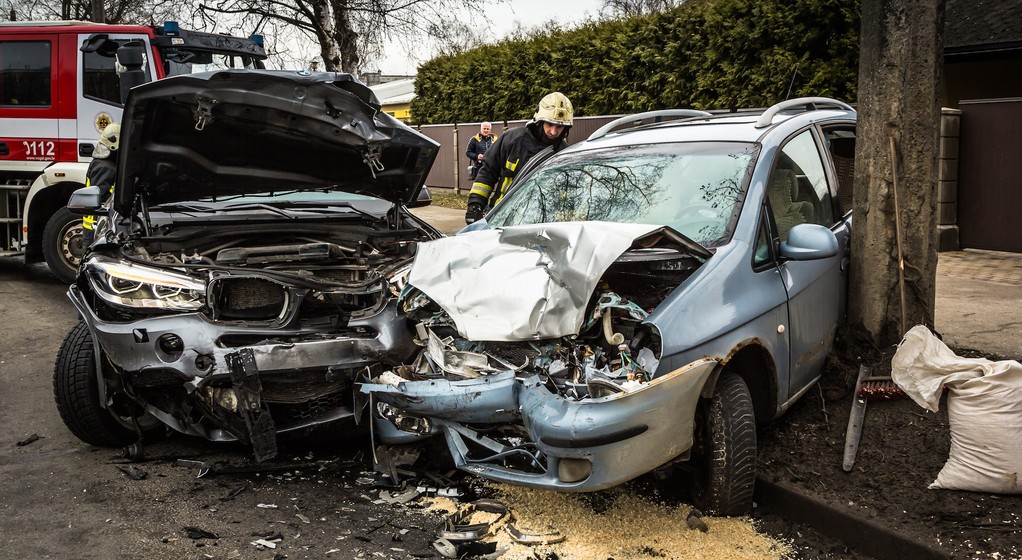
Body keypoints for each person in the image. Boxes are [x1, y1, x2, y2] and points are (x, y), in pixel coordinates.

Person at [465, 92, 573, 224]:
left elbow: (566, 194)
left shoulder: (564, 154)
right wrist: (475, 205)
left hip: (541, 224)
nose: (554, 132)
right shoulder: (512, 139)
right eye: (549, 124)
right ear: (539, 121)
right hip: (501, 218)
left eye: (559, 126)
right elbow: (488, 172)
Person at [82, 122, 119, 246]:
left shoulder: (101, 163)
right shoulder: (105, 167)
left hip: (95, 225)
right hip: (97, 228)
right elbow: (103, 199)